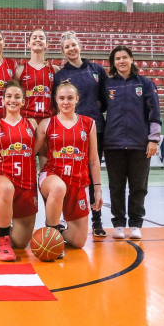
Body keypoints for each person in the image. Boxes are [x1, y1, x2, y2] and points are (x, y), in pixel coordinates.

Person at [35, 82, 103, 252]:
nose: (66, 102)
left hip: (78, 181)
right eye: (62, 98)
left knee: (78, 242)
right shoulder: (47, 124)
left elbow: (93, 159)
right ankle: (51, 233)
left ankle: (60, 232)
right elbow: (31, 152)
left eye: (70, 98)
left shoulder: (88, 124)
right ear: (56, 100)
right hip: (52, 176)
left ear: (77, 100)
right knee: (58, 188)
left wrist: (98, 189)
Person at [53, 31, 108, 237]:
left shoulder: (97, 69)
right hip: (68, 132)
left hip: (94, 129)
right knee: (67, 174)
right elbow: (56, 103)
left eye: (73, 45)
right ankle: (63, 218)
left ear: (79, 46)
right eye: (67, 47)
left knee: (93, 171)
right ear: (63, 51)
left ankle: (97, 220)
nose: (71, 49)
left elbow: (105, 98)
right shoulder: (60, 75)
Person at [103, 46, 161, 240]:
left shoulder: (145, 84)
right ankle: (118, 224)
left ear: (132, 59)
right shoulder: (108, 85)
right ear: (113, 62)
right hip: (113, 144)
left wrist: (153, 139)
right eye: (117, 58)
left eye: (124, 57)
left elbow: (154, 112)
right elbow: (97, 107)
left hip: (139, 144)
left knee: (138, 187)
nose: (121, 61)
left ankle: (136, 224)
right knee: (116, 186)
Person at [0, 81, 39, 261]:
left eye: (17, 97)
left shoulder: (32, 123)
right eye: (8, 96)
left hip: (27, 182)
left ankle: (0, 226)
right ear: (2, 101)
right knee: (6, 189)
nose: (13, 100)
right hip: (3, 177)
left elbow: (40, 150)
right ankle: (3, 240)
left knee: (21, 242)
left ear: (23, 102)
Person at [14, 29, 58, 122]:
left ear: (47, 44)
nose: (37, 40)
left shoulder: (54, 69)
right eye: (34, 38)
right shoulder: (20, 70)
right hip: (26, 119)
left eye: (41, 38)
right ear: (28, 44)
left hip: (49, 119)